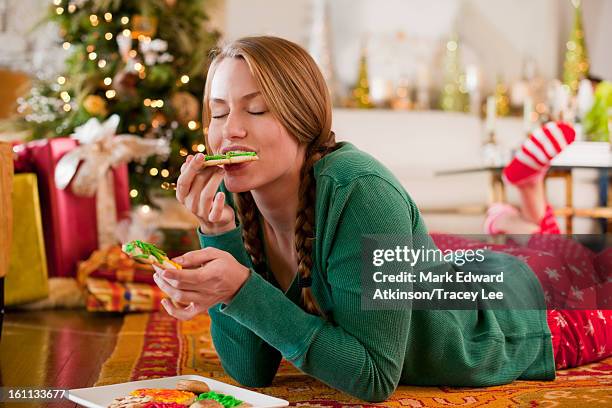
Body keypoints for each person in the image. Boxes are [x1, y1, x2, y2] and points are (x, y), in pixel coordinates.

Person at [152, 36, 611, 402]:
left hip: (527, 312)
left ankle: (531, 205)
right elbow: (250, 370)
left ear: (302, 118)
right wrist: (219, 239)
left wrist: (239, 288)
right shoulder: (237, 195)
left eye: (254, 109)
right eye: (217, 112)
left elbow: (372, 377)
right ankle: (524, 218)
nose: (229, 129)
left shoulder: (361, 191)